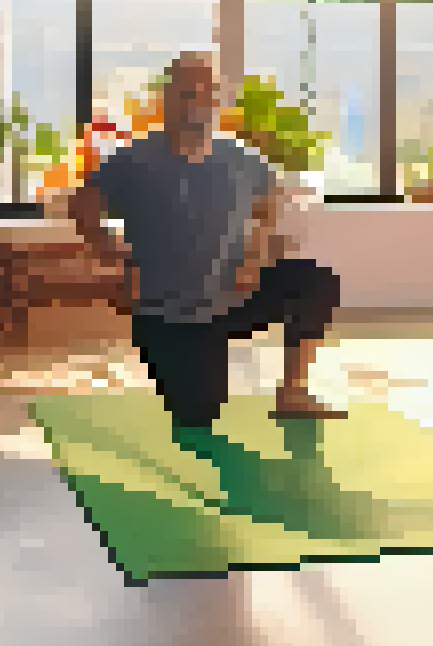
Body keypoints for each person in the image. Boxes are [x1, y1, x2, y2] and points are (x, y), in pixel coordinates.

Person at [68, 52, 346, 429]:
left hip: (233, 298)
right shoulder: (130, 160)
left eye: (207, 91)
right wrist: (113, 256)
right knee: (198, 415)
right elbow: (81, 205)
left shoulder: (242, 158)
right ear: (167, 96)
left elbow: (271, 202)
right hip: (167, 315)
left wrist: (256, 252)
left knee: (316, 281)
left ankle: (293, 392)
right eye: (187, 90)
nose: (198, 99)